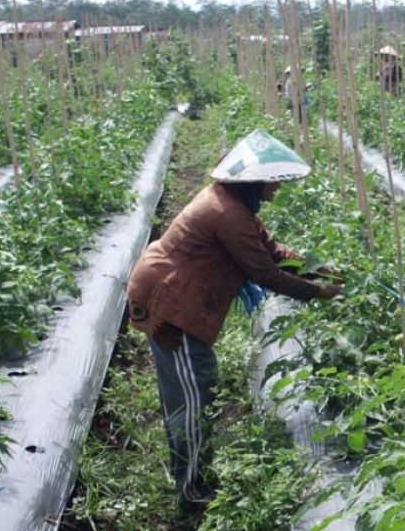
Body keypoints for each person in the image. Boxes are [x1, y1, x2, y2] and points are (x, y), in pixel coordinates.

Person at [127, 130, 342, 511]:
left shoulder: (232, 204)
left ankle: (191, 474)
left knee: (192, 389)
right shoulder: (227, 213)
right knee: (193, 394)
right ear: (253, 181)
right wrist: (317, 291)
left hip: (179, 296)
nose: (276, 190)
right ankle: (192, 492)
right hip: (169, 305)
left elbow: (271, 249)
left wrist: (317, 267)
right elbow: (264, 272)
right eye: (272, 182)